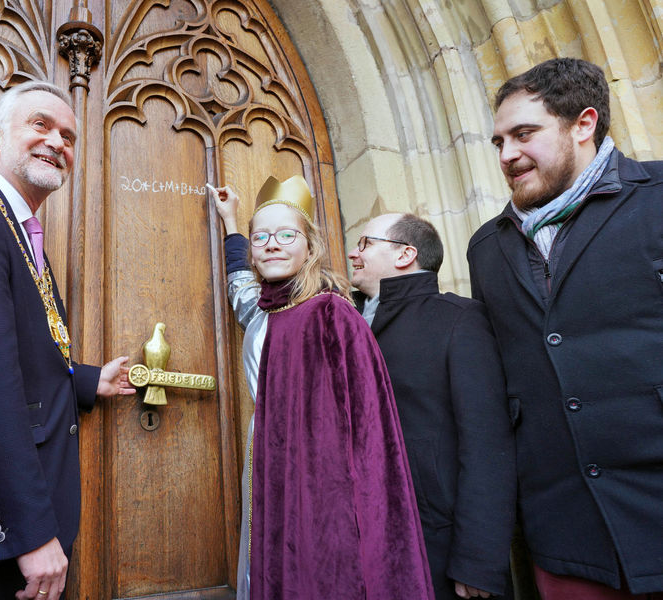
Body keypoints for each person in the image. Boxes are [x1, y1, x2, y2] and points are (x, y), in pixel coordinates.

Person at [0, 81, 135, 600]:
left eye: (68, 136)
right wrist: (29, 531)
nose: (57, 142)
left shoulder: (19, 227)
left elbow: (18, 348)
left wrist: (87, 380)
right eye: (40, 125)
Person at [469, 57, 663, 598]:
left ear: (583, 124)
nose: (507, 155)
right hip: (565, 538)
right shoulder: (487, 248)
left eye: (524, 134)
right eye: (498, 142)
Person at [209, 176, 434, 600]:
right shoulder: (262, 312)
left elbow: (368, 422)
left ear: (310, 247)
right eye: (262, 238)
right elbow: (240, 285)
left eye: (286, 235)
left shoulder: (332, 312)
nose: (272, 245)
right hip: (266, 462)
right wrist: (232, 223)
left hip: (319, 479)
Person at [348, 213, 515, 600]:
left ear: (406, 253)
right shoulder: (348, 324)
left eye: (365, 244)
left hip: (437, 544)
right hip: (366, 542)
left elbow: (487, 444)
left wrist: (478, 559)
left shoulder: (458, 320)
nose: (353, 254)